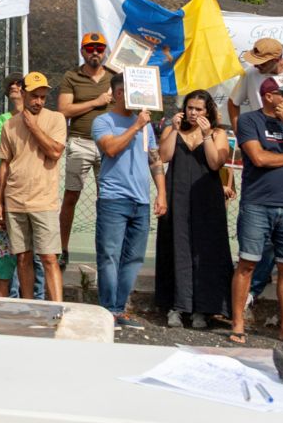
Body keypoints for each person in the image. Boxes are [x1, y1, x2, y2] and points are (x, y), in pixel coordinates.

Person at [230, 79, 283, 346]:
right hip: (257, 202)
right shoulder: (249, 121)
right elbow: (259, 158)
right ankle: (238, 323)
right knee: (247, 264)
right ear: (268, 96)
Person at [154, 89, 232, 329]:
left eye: (198, 109)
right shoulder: (172, 130)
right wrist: (175, 130)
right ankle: (176, 307)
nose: (193, 113)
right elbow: (164, 157)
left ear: (207, 111)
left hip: (207, 199)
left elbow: (215, 162)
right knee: (176, 249)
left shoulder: (219, 133)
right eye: (190, 108)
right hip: (177, 196)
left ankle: (203, 308)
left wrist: (207, 135)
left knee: (206, 252)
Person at [92, 82, 162, 328]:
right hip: (114, 199)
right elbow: (111, 148)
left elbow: (154, 160)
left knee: (133, 258)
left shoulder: (146, 126)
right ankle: (108, 310)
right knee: (109, 256)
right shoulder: (104, 121)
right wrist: (136, 126)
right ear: (120, 93)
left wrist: (161, 193)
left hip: (140, 201)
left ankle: (120, 309)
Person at [0, 72, 67, 302]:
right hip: (15, 200)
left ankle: (57, 309)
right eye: (35, 96)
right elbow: (5, 164)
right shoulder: (8, 125)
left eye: (43, 97)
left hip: (43, 201)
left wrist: (33, 126)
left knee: (49, 258)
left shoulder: (55, 119)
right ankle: (28, 308)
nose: (39, 101)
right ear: (23, 93)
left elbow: (55, 152)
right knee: (23, 258)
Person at [57, 32, 114, 268]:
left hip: (108, 143)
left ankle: (106, 250)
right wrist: (96, 102)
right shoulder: (72, 77)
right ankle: (62, 248)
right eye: (90, 49)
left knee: (108, 199)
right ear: (82, 51)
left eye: (99, 49)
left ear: (105, 51)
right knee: (71, 196)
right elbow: (63, 110)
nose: (95, 53)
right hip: (80, 142)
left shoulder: (115, 76)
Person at [0, 74, 23, 298]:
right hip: (9, 189)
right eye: (11, 85)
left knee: (29, 253)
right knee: (6, 251)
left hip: (32, 190)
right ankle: (8, 300)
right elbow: (8, 152)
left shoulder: (42, 118)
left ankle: (31, 298)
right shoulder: (2, 120)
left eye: (19, 85)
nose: (14, 87)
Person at [227, 37, 283, 129]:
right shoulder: (250, 73)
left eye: (262, 63)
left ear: (276, 60)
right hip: (259, 134)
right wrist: (238, 132)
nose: (256, 65)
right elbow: (233, 102)